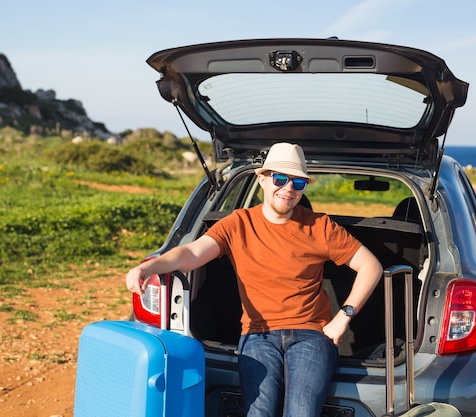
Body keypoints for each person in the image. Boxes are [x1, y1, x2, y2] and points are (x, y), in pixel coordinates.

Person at [126, 142, 383, 417]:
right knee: (259, 412)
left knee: (302, 412)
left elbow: (371, 266)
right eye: (280, 179)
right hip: (258, 334)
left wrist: (343, 317)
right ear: (262, 179)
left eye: (298, 182)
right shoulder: (237, 223)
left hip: (311, 335)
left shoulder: (320, 226)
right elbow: (191, 252)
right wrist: (152, 266)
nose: (288, 189)